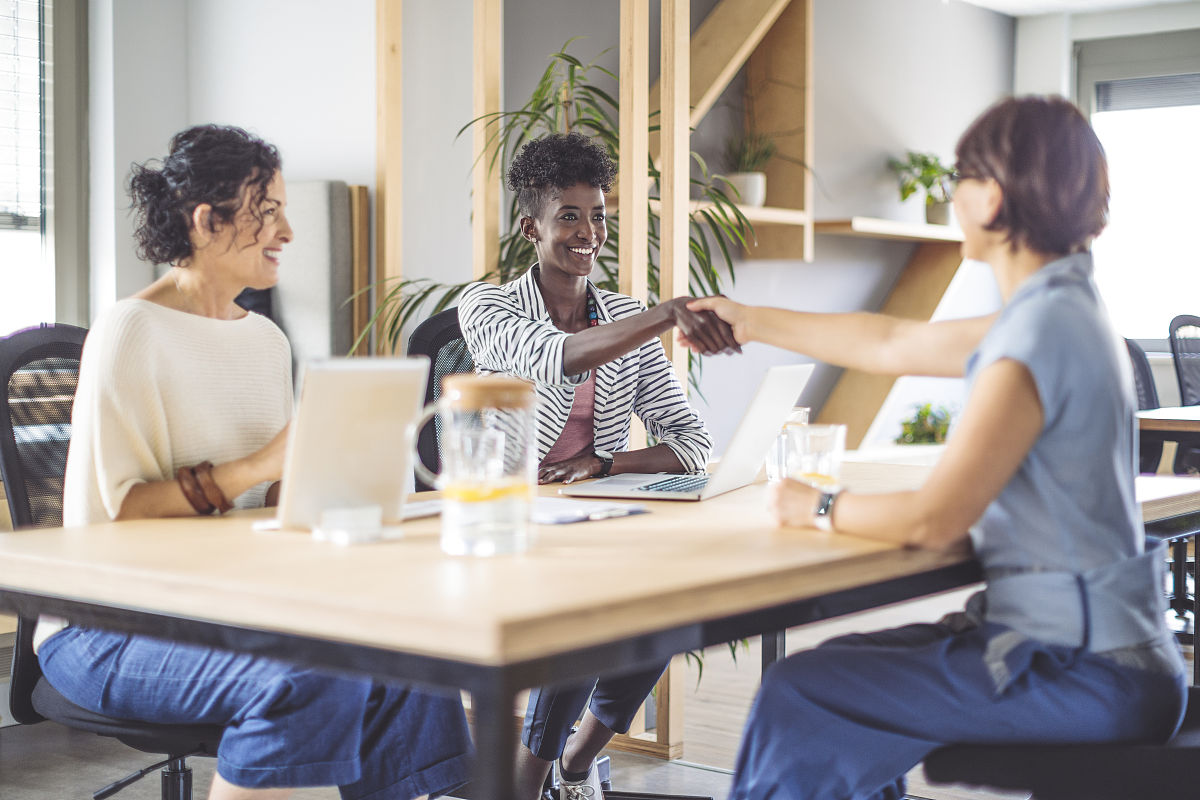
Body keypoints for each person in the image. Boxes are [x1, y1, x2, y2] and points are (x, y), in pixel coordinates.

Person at [684, 96, 1188, 800]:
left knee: (805, 691)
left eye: (960, 178)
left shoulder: (1037, 334)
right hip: (1103, 654)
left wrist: (818, 504)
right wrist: (751, 319)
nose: (953, 195)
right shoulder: (1063, 309)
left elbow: (934, 521)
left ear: (990, 197)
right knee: (835, 677)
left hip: (1085, 671)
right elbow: (890, 342)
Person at [36, 125, 472, 800]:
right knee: (307, 674)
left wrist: (333, 479)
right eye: (269, 210)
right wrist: (261, 463)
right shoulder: (131, 331)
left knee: (412, 655)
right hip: (110, 626)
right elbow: (124, 511)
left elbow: (273, 501)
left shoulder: (266, 341)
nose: (288, 232)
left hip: (227, 604)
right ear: (209, 222)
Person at [457, 131, 737, 799]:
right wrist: (665, 316)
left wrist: (604, 460)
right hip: (502, 518)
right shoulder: (487, 308)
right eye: (570, 216)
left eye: (599, 214)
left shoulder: (623, 317)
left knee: (669, 600)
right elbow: (559, 355)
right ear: (532, 226)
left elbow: (692, 441)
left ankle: (574, 768)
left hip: (590, 515)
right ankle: (528, 782)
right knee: (595, 601)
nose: (589, 232)